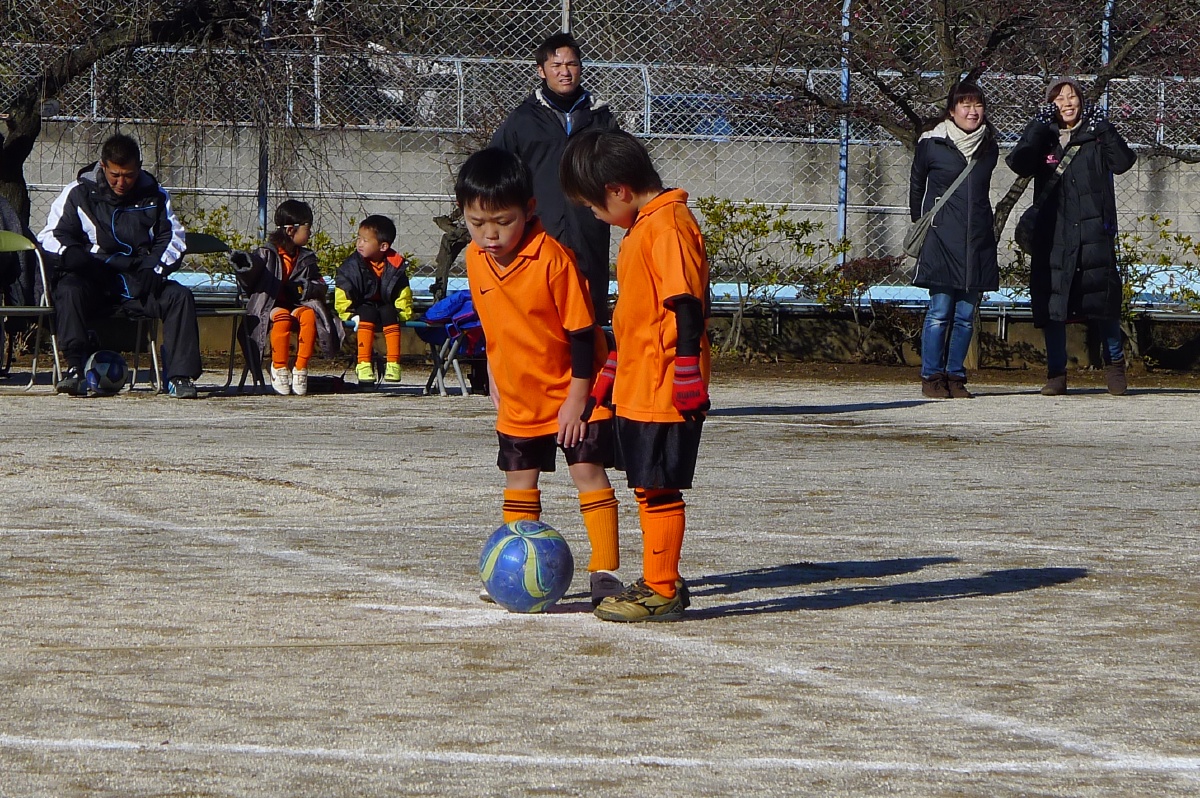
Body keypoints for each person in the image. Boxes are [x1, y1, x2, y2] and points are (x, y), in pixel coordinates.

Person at [455, 147, 623, 608]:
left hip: (574, 389)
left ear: (529, 209)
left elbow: (582, 335)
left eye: (502, 222)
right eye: (476, 222)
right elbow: (493, 322)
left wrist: (577, 400)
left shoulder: (553, 258)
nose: (490, 234)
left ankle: (605, 571)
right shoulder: (473, 257)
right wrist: (494, 371)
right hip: (520, 395)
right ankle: (514, 570)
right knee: (519, 479)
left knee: (587, 471)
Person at [560, 129, 710, 623]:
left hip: (666, 386)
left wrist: (686, 372)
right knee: (648, 483)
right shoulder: (643, 226)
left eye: (593, 206)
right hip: (641, 381)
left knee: (658, 485)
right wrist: (612, 370)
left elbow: (685, 306)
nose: (594, 216)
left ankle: (661, 589)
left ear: (618, 190)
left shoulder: (667, 226)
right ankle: (660, 576)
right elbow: (639, 316)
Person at [38, 133, 200, 398]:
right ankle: (75, 367)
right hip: (94, 278)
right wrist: (72, 254)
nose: (121, 183)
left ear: (139, 168)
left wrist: (155, 268)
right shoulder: (78, 192)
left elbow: (173, 237)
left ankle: (180, 376)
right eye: (115, 175)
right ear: (103, 166)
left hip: (138, 281)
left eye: (129, 175)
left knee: (179, 296)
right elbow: (50, 235)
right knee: (68, 289)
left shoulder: (156, 195)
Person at [1007, 77, 1137, 396]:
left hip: (1094, 232)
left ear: (1082, 100)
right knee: (1054, 305)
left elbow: (1123, 162)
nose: (1067, 103)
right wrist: (1037, 126)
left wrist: (1103, 126)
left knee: (1102, 301)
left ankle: (1114, 365)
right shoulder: (1046, 138)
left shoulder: (1096, 135)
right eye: (1059, 98)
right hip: (1053, 233)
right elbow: (1019, 163)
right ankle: (1056, 373)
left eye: (1072, 96)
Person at [490, 32, 619, 324]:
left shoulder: (599, 116)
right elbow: (497, 168)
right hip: (540, 228)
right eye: (556, 65)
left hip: (589, 229)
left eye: (572, 64)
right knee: (540, 308)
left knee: (588, 310)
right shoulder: (523, 119)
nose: (565, 72)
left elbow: (622, 165)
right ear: (541, 70)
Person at [909, 81, 1000, 399]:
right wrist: (923, 223)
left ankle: (956, 376)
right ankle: (932, 377)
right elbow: (917, 185)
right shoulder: (931, 143)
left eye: (978, 105)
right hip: (940, 238)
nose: (973, 111)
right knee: (940, 311)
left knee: (965, 316)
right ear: (951, 110)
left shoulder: (989, 146)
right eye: (966, 105)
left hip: (977, 240)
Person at [229, 200, 343, 396]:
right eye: (307, 228)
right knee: (282, 317)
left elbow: (319, 283)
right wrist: (244, 263)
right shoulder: (267, 253)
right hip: (270, 305)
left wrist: (306, 288)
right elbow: (252, 271)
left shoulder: (306, 257)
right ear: (291, 230)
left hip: (297, 304)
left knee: (308, 315)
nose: (310, 233)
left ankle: (300, 368)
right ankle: (279, 367)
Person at [334, 214, 414, 384]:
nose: (359, 244)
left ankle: (393, 362)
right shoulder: (352, 265)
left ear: (383, 246)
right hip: (362, 306)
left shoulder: (395, 264)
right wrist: (348, 314)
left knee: (390, 313)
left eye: (365, 240)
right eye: (359, 238)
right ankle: (363, 363)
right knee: (367, 313)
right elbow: (343, 290)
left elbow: (402, 291)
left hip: (384, 304)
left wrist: (403, 312)